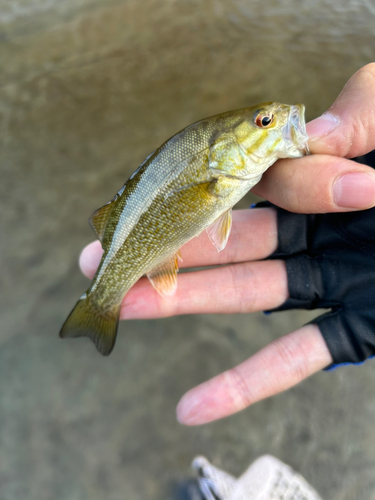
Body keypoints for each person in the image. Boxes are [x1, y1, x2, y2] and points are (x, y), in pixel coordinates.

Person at [79, 63, 375, 426]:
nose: (280, 117)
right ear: (222, 151)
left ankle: (98, 305)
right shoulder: (218, 170)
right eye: (264, 122)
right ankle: (99, 306)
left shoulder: (224, 170)